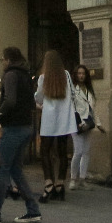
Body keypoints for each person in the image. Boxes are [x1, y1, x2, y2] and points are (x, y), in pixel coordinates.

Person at [0, 47, 42, 223]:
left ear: (9, 60)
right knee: (15, 170)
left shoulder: (11, 75)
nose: (2, 62)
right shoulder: (25, 74)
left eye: (2, 59)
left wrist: (0, 113)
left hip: (13, 127)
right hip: (26, 126)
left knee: (2, 170)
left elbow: (10, 100)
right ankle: (33, 209)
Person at [35, 50, 74, 202]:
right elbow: (73, 93)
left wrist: (39, 102)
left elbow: (39, 96)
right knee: (62, 152)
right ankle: (60, 184)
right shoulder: (66, 75)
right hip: (64, 118)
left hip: (49, 118)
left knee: (45, 150)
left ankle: (48, 184)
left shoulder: (43, 77)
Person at [69, 64, 100, 190]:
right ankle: (73, 179)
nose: (81, 76)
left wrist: (98, 124)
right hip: (77, 124)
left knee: (86, 152)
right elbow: (72, 108)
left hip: (89, 122)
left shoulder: (89, 90)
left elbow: (93, 109)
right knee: (78, 151)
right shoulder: (72, 90)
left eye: (83, 73)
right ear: (75, 75)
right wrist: (79, 122)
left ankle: (82, 179)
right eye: (79, 73)